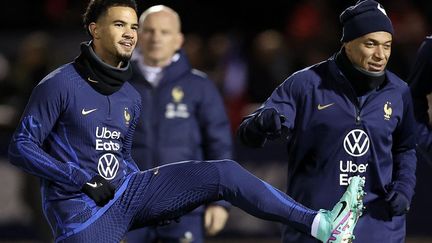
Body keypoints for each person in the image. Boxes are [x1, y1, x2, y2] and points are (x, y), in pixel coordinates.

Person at [7, 0, 365, 242]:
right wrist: (80, 179)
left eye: (133, 25)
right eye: (120, 25)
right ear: (94, 29)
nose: (131, 33)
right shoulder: (59, 84)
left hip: (125, 196)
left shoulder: (129, 95)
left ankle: (320, 225)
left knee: (224, 170)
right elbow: (21, 146)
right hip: (82, 217)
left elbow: (123, 158)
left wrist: (160, 198)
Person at [238, 1, 416, 242]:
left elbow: (405, 148)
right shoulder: (305, 85)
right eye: (370, 44)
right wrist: (261, 124)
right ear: (348, 43)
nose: (381, 55)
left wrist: (404, 187)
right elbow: (248, 134)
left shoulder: (399, 91)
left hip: (379, 228)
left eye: (387, 45)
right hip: (315, 229)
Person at [124, 6, 232, 243]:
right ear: (138, 36)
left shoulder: (200, 87)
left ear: (178, 39)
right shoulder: (117, 85)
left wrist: (220, 203)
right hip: (126, 208)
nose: (156, 38)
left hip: (185, 209)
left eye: (164, 31)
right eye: (149, 31)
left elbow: (219, 147)